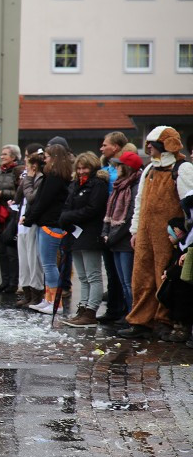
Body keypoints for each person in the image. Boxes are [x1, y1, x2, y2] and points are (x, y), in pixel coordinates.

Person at [120, 127, 193, 340]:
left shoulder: (182, 168)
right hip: (145, 233)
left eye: (153, 143)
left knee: (165, 277)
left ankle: (164, 320)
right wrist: (135, 230)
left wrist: (183, 234)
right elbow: (139, 202)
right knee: (141, 277)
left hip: (168, 235)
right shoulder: (150, 169)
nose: (148, 146)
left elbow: (189, 205)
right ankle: (140, 321)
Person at [58, 152, 110, 327]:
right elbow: (67, 206)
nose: (81, 171)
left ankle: (91, 311)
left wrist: (69, 216)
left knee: (93, 275)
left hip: (90, 233)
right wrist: (65, 218)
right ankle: (83, 307)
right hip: (75, 234)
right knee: (82, 276)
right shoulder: (75, 185)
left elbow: (93, 209)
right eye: (79, 168)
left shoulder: (98, 184)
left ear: (93, 167)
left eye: (85, 168)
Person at [22, 143, 73, 313]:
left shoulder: (55, 178)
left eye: (48, 156)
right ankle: (49, 299)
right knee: (47, 264)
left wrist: (29, 219)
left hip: (51, 224)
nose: (45, 159)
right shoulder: (54, 176)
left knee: (49, 264)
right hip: (47, 223)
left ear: (55, 158)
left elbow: (42, 201)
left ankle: (55, 303)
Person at [101, 148, 143, 321]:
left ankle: (133, 315)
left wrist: (111, 237)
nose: (116, 168)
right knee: (121, 280)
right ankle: (127, 314)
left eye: (119, 165)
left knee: (128, 282)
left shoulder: (133, 188)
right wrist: (106, 232)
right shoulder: (119, 186)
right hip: (115, 240)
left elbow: (129, 216)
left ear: (126, 168)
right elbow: (109, 213)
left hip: (124, 241)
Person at [97, 131, 132, 322]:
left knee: (124, 276)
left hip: (120, 226)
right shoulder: (105, 168)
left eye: (105, 145)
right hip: (106, 223)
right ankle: (114, 308)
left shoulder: (124, 171)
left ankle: (127, 311)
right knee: (111, 271)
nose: (102, 148)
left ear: (116, 147)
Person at [14, 146, 45, 309]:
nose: (24, 163)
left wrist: (28, 180)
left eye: (27, 160)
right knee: (24, 260)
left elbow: (32, 198)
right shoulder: (28, 177)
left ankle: (36, 293)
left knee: (34, 260)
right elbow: (19, 196)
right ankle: (26, 291)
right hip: (22, 223)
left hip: (32, 222)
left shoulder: (40, 178)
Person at [0, 144, 23, 293]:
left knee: (11, 252)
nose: (2, 156)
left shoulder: (18, 172)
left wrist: (1, 193)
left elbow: (17, 192)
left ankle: (13, 283)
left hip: (12, 214)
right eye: (2, 154)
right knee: (1, 251)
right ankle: (4, 281)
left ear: (14, 157)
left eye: (5, 154)